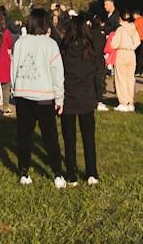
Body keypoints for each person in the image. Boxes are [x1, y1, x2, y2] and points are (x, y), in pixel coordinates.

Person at [9, 7, 65, 188]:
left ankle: (24, 173)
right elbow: (58, 73)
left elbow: (14, 68)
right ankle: (57, 174)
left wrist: (15, 89)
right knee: (50, 137)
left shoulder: (20, 43)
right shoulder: (50, 45)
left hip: (23, 94)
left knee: (24, 135)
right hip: (44, 96)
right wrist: (60, 99)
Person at [59, 12, 101, 186]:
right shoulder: (90, 50)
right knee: (88, 138)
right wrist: (98, 97)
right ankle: (92, 172)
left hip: (68, 97)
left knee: (69, 139)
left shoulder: (64, 50)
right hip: (87, 98)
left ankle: (71, 173)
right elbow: (97, 75)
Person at [109, 11, 141, 112]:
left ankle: (123, 102)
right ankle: (131, 102)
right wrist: (131, 47)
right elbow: (138, 42)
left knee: (121, 78)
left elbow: (114, 44)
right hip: (131, 54)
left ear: (121, 19)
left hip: (122, 53)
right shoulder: (133, 29)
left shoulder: (120, 29)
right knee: (130, 79)